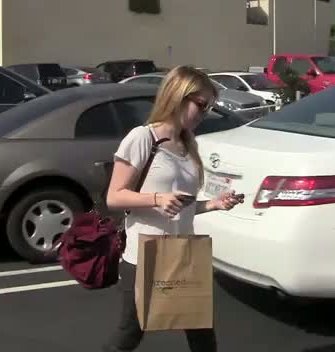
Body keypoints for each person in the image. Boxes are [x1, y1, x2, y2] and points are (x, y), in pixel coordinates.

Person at [102, 65, 243, 352]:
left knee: (202, 332)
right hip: (144, 256)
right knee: (130, 334)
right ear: (177, 96)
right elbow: (114, 197)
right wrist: (157, 198)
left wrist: (213, 204)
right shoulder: (142, 138)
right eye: (201, 105)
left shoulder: (187, 144)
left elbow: (181, 206)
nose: (204, 114)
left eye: (209, 108)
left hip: (182, 253)